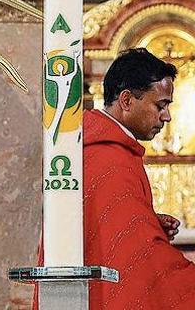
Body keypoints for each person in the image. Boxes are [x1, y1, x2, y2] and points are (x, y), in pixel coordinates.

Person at [84, 48, 195, 308]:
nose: (166, 116)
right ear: (126, 100)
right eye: (161, 105)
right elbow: (140, 259)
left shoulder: (104, 147)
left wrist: (147, 224)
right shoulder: (108, 157)